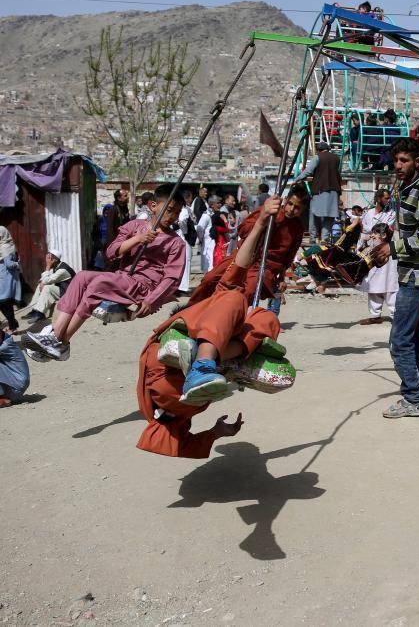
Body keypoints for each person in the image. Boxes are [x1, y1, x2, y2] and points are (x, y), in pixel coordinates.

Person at [135, 196, 290, 459]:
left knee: (265, 318)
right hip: (166, 378)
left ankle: (212, 359)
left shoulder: (186, 410)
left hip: (187, 395)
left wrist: (217, 432)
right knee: (233, 297)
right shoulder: (199, 311)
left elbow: (177, 443)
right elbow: (238, 267)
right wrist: (261, 221)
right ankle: (205, 362)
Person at [24, 184, 186, 361]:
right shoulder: (135, 226)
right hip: (123, 278)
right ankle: (56, 336)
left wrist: (151, 300)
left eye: (177, 212)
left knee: (99, 283)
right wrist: (138, 239)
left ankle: (61, 340)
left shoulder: (176, 243)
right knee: (81, 276)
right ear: (153, 205)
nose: (173, 216)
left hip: (142, 287)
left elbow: (172, 278)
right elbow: (111, 252)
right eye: (170, 210)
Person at [374, 137, 419, 418]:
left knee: (398, 340)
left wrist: (393, 247)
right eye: (396, 161)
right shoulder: (407, 188)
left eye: (404, 161)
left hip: (417, 275)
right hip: (412, 272)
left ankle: (413, 399)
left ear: (417, 162)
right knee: (415, 336)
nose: (398, 166)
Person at [188, 186, 308, 307]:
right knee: (210, 279)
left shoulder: (297, 228)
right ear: (285, 200)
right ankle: (190, 311)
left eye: (297, 208)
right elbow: (243, 230)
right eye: (290, 204)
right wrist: (263, 221)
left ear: (303, 210)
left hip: (265, 266)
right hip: (244, 255)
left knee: (247, 293)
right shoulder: (269, 211)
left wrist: (281, 277)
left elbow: (288, 255)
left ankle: (231, 320)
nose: (291, 209)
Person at [295, 142, 342, 241]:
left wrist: (297, 179)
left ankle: (313, 237)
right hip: (335, 191)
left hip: (320, 190)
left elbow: (308, 171)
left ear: (318, 149)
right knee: (330, 216)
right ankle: (324, 238)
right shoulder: (337, 158)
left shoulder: (318, 157)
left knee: (314, 214)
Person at [355, 223, 399, 324]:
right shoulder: (370, 247)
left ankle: (396, 317)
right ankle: (375, 316)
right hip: (374, 279)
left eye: (375, 233)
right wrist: (363, 243)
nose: (372, 235)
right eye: (372, 233)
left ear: (383, 235)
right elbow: (359, 255)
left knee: (392, 297)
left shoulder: (393, 246)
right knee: (373, 295)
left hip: (390, 278)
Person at [24, 249, 75, 323]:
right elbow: (44, 279)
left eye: (48, 258)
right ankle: (35, 310)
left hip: (69, 293)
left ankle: (40, 313)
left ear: (53, 260)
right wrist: (42, 282)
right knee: (40, 286)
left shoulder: (62, 270)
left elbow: (47, 280)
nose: (47, 260)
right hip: (62, 290)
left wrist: (47, 267)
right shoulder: (57, 266)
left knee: (47, 288)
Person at [101, 189, 131, 268]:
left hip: (123, 242)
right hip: (115, 243)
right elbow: (110, 230)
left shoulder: (125, 209)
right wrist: (113, 247)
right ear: (119, 198)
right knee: (113, 267)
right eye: (125, 196)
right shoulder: (113, 210)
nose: (127, 198)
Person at [0, 226, 22, 333]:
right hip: (5, 278)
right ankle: (13, 326)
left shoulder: (5, 247)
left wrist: (17, 264)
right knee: (6, 304)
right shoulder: (8, 245)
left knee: (4, 303)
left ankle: (13, 326)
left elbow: (9, 264)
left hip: (5, 280)